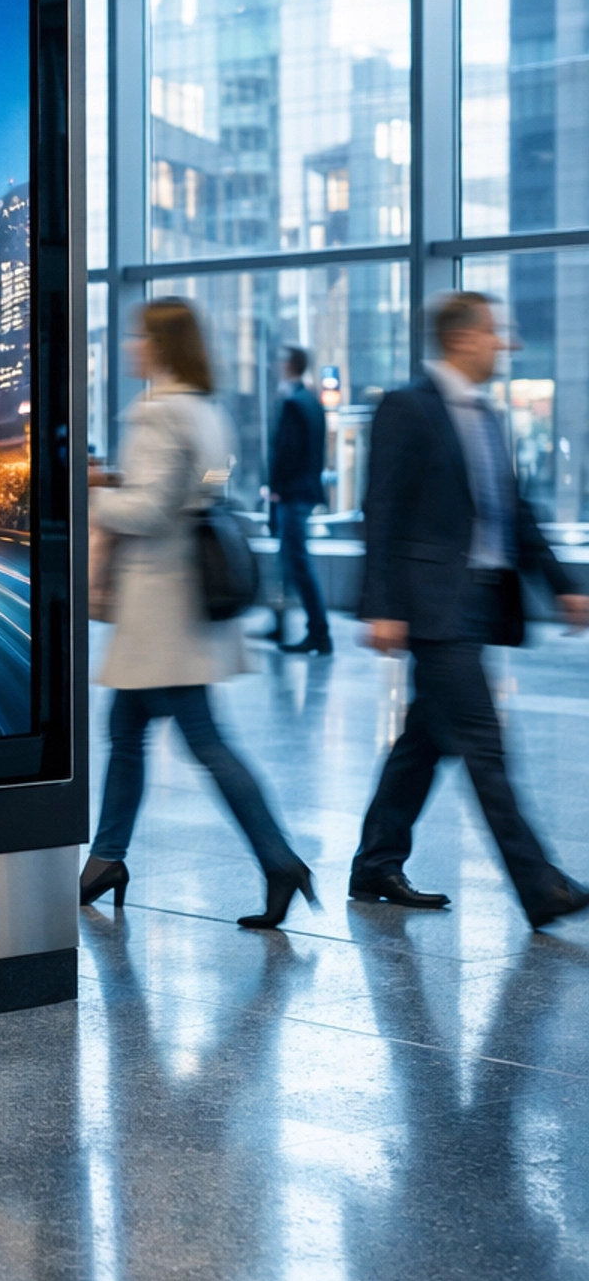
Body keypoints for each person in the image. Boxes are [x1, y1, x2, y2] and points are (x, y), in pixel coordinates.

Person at [352, 289, 589, 929]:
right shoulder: (408, 408)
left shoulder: (483, 416)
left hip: (480, 603)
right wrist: (381, 605)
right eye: (494, 333)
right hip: (433, 611)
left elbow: (513, 511)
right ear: (462, 338)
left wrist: (564, 584)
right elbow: (382, 509)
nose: (505, 344)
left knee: (424, 741)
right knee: (485, 744)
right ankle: (540, 887)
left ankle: (375, 862)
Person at [84, 297, 316, 932]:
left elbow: (150, 511)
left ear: (161, 346)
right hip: (190, 597)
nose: (131, 345)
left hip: (161, 604)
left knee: (204, 742)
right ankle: (106, 858)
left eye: (138, 336)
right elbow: (208, 486)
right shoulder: (207, 410)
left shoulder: (158, 413)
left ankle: (279, 861)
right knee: (126, 733)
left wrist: (97, 494)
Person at [266, 346, 331, 656]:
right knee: (288, 560)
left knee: (298, 563)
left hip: (291, 494)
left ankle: (319, 632)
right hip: (304, 491)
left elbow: (286, 452)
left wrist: (276, 487)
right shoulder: (312, 402)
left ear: (289, 364)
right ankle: (280, 624)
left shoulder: (293, 403)